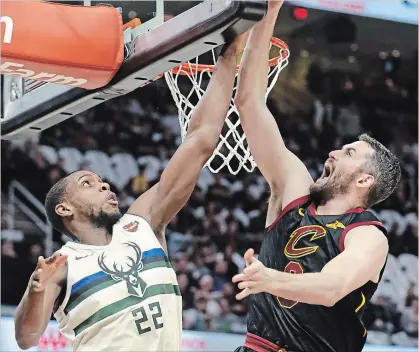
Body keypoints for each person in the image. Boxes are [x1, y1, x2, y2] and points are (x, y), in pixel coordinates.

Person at [14, 34, 248, 352]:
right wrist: (35, 289)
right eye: (88, 184)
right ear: (64, 208)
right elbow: (26, 339)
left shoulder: (142, 223)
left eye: (101, 181)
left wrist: (229, 55)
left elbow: (201, 142)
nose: (104, 185)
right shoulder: (62, 264)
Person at [232, 2, 401, 352]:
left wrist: (269, 279)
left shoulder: (368, 235)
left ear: (365, 181)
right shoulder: (296, 191)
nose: (334, 153)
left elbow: (332, 288)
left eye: (349, 153)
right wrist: (267, 12)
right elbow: (249, 104)